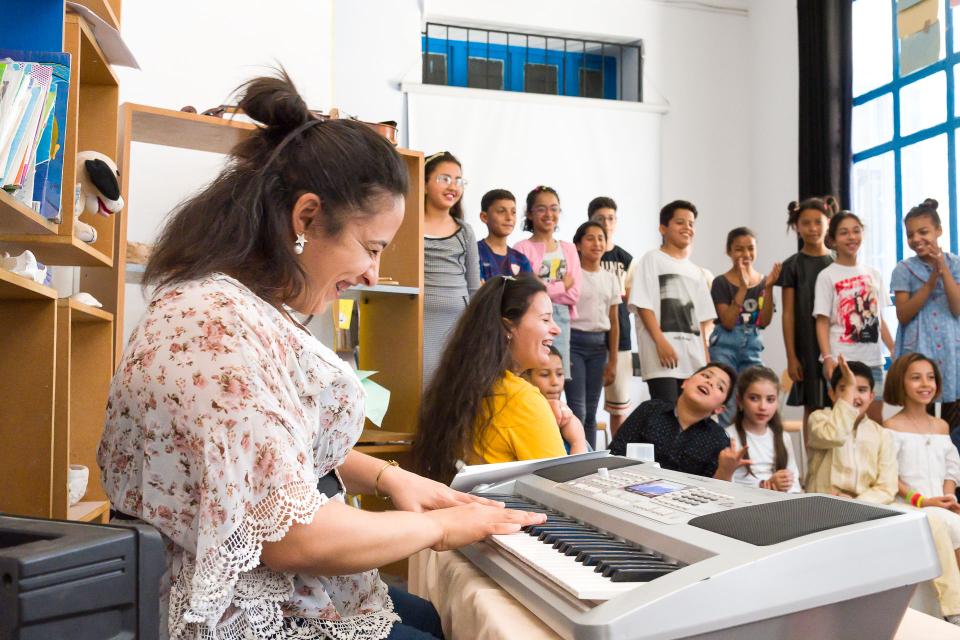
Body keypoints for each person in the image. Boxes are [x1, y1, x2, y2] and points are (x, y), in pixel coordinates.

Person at [97, 72, 544, 640]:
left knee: (427, 615)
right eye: (371, 247)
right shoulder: (212, 325)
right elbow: (295, 537)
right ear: (306, 218)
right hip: (217, 606)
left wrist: (388, 477)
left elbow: (264, 445)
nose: (373, 274)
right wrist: (446, 526)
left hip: (248, 571)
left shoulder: (233, 308)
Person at [413, 274, 569, 484]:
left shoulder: (462, 388)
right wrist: (576, 438)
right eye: (545, 319)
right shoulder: (521, 398)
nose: (556, 329)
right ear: (508, 328)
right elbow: (562, 487)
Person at [882, 353, 960, 626]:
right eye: (916, 378)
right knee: (954, 527)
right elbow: (891, 476)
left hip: (939, 503)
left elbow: (951, 470)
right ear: (900, 383)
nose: (925, 384)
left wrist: (948, 497)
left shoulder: (941, 426)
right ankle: (955, 611)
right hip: (909, 504)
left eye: (930, 377)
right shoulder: (891, 427)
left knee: (952, 521)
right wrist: (924, 501)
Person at [629, 200, 716, 404]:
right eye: (680, 222)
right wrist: (661, 342)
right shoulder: (651, 259)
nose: (687, 227)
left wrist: (706, 362)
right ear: (663, 228)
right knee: (665, 413)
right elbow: (643, 305)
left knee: (690, 419)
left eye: (691, 223)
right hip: (662, 357)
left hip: (693, 359)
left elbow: (702, 322)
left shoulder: (697, 272)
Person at [814, 211, 894, 423]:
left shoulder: (874, 274)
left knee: (875, 422)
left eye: (856, 231)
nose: (851, 237)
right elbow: (821, 321)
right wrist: (828, 358)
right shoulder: (827, 275)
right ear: (833, 240)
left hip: (873, 361)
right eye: (844, 233)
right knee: (844, 423)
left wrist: (894, 349)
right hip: (842, 361)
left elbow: (879, 319)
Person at [891, 198, 960, 430]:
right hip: (919, 349)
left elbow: (957, 307)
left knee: (954, 416)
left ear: (938, 231)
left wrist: (943, 270)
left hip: (952, 349)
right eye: (910, 235)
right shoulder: (904, 269)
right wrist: (931, 283)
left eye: (923, 232)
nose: (916, 239)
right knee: (921, 410)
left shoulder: (956, 263)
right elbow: (903, 314)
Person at [609, 363, 743, 479]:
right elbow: (615, 453)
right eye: (706, 376)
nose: (710, 382)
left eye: (720, 387)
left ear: (720, 409)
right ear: (685, 382)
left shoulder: (718, 439)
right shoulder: (649, 410)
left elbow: (710, 492)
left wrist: (725, 472)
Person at [709, 227, 780, 425]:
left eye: (751, 248)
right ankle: (726, 447)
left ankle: (749, 444)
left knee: (755, 394)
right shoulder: (721, 282)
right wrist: (742, 288)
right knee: (727, 399)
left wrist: (768, 287)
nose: (746, 254)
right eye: (739, 249)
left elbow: (764, 321)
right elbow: (728, 322)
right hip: (725, 344)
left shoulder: (764, 282)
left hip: (752, 345)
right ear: (729, 251)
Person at [778, 196, 837, 432]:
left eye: (818, 222)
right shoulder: (792, 265)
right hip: (807, 346)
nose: (812, 228)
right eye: (806, 223)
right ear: (796, 226)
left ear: (828, 223)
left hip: (837, 342)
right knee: (813, 408)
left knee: (841, 405)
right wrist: (791, 356)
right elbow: (788, 314)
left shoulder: (837, 261)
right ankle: (813, 468)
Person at [422, 151, 481, 385]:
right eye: (444, 179)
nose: (453, 186)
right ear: (424, 184)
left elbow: (474, 288)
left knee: (448, 395)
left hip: (456, 327)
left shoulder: (465, 231)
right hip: (416, 324)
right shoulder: (408, 226)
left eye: (458, 180)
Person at [805, 357, 896, 503]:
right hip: (823, 506)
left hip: (866, 509)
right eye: (845, 388)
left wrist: (857, 503)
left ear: (871, 396)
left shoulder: (882, 434)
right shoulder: (819, 419)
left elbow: (887, 488)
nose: (853, 396)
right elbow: (835, 435)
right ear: (832, 394)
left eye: (861, 390)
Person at [564, 220, 621, 449]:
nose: (596, 243)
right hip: (574, 343)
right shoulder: (571, 275)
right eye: (590, 238)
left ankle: (590, 458)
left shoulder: (610, 278)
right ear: (578, 245)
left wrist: (613, 361)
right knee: (577, 408)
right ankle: (576, 456)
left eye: (601, 238)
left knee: (592, 410)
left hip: (599, 347)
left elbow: (615, 322)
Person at [515, 186, 581, 380]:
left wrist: (543, 287)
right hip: (533, 318)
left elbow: (575, 293)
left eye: (554, 208)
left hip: (562, 318)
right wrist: (562, 286)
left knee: (557, 376)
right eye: (541, 208)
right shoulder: (522, 248)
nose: (548, 214)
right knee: (534, 373)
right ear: (530, 213)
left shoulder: (568, 248)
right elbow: (529, 291)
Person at [589, 196, 635, 435]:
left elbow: (630, 300)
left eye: (610, 218)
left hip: (621, 339)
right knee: (585, 403)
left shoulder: (626, 260)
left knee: (618, 407)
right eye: (600, 219)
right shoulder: (582, 257)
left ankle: (617, 453)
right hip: (589, 336)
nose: (606, 223)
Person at [721, 366, 801, 492]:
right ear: (740, 401)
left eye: (770, 399)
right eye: (754, 398)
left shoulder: (783, 437)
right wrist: (765, 485)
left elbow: (794, 482)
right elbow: (725, 485)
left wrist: (784, 485)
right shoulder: (727, 436)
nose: (763, 407)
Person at [523, 345, 590, 454]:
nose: (555, 382)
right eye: (544, 374)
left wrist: (578, 441)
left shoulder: (567, 417)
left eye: (560, 374)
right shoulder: (525, 416)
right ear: (526, 378)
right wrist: (577, 442)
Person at [477, 188, 533, 281]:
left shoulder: (521, 260)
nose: (509, 217)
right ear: (484, 217)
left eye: (513, 212)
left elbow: (529, 292)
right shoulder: (474, 253)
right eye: (501, 211)